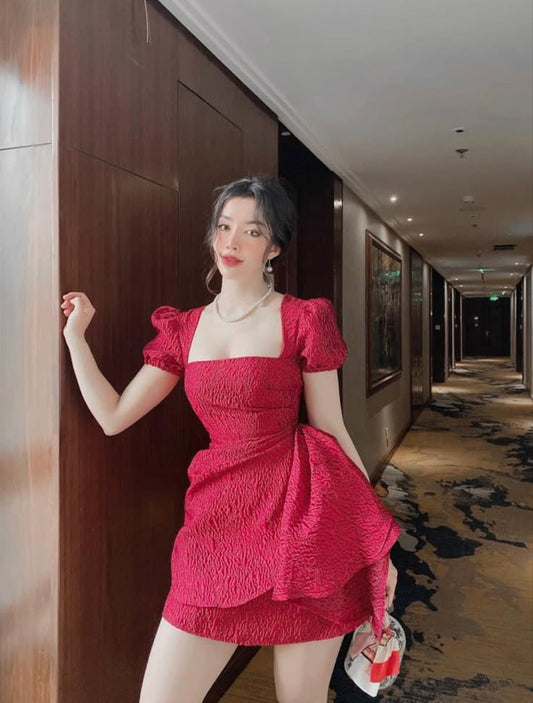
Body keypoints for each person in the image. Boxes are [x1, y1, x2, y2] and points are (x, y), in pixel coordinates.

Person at [61, 175, 402, 703]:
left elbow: (331, 430)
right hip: (216, 523)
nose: (232, 241)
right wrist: (76, 337)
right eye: (224, 227)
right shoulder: (183, 328)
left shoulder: (303, 318)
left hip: (301, 521)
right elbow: (113, 416)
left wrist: (374, 543)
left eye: (252, 230)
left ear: (274, 248)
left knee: (300, 698)